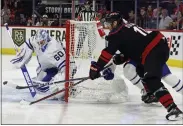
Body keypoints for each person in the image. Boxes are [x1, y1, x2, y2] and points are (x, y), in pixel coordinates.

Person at [89, 12, 183, 120]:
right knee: (139, 69)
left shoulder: (116, 34)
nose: (107, 26)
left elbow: (107, 54)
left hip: (153, 50)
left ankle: (173, 109)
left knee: (153, 79)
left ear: (115, 23)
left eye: (109, 23)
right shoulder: (126, 27)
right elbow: (134, 45)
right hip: (155, 46)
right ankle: (150, 93)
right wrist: (123, 57)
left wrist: (96, 68)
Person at [10, 29, 76, 100]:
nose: (39, 44)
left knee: (57, 89)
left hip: (66, 67)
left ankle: (65, 88)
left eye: (42, 42)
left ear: (46, 39)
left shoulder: (54, 49)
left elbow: (66, 68)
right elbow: (29, 43)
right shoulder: (36, 40)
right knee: (39, 85)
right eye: (38, 42)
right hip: (49, 67)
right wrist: (22, 57)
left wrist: (64, 83)